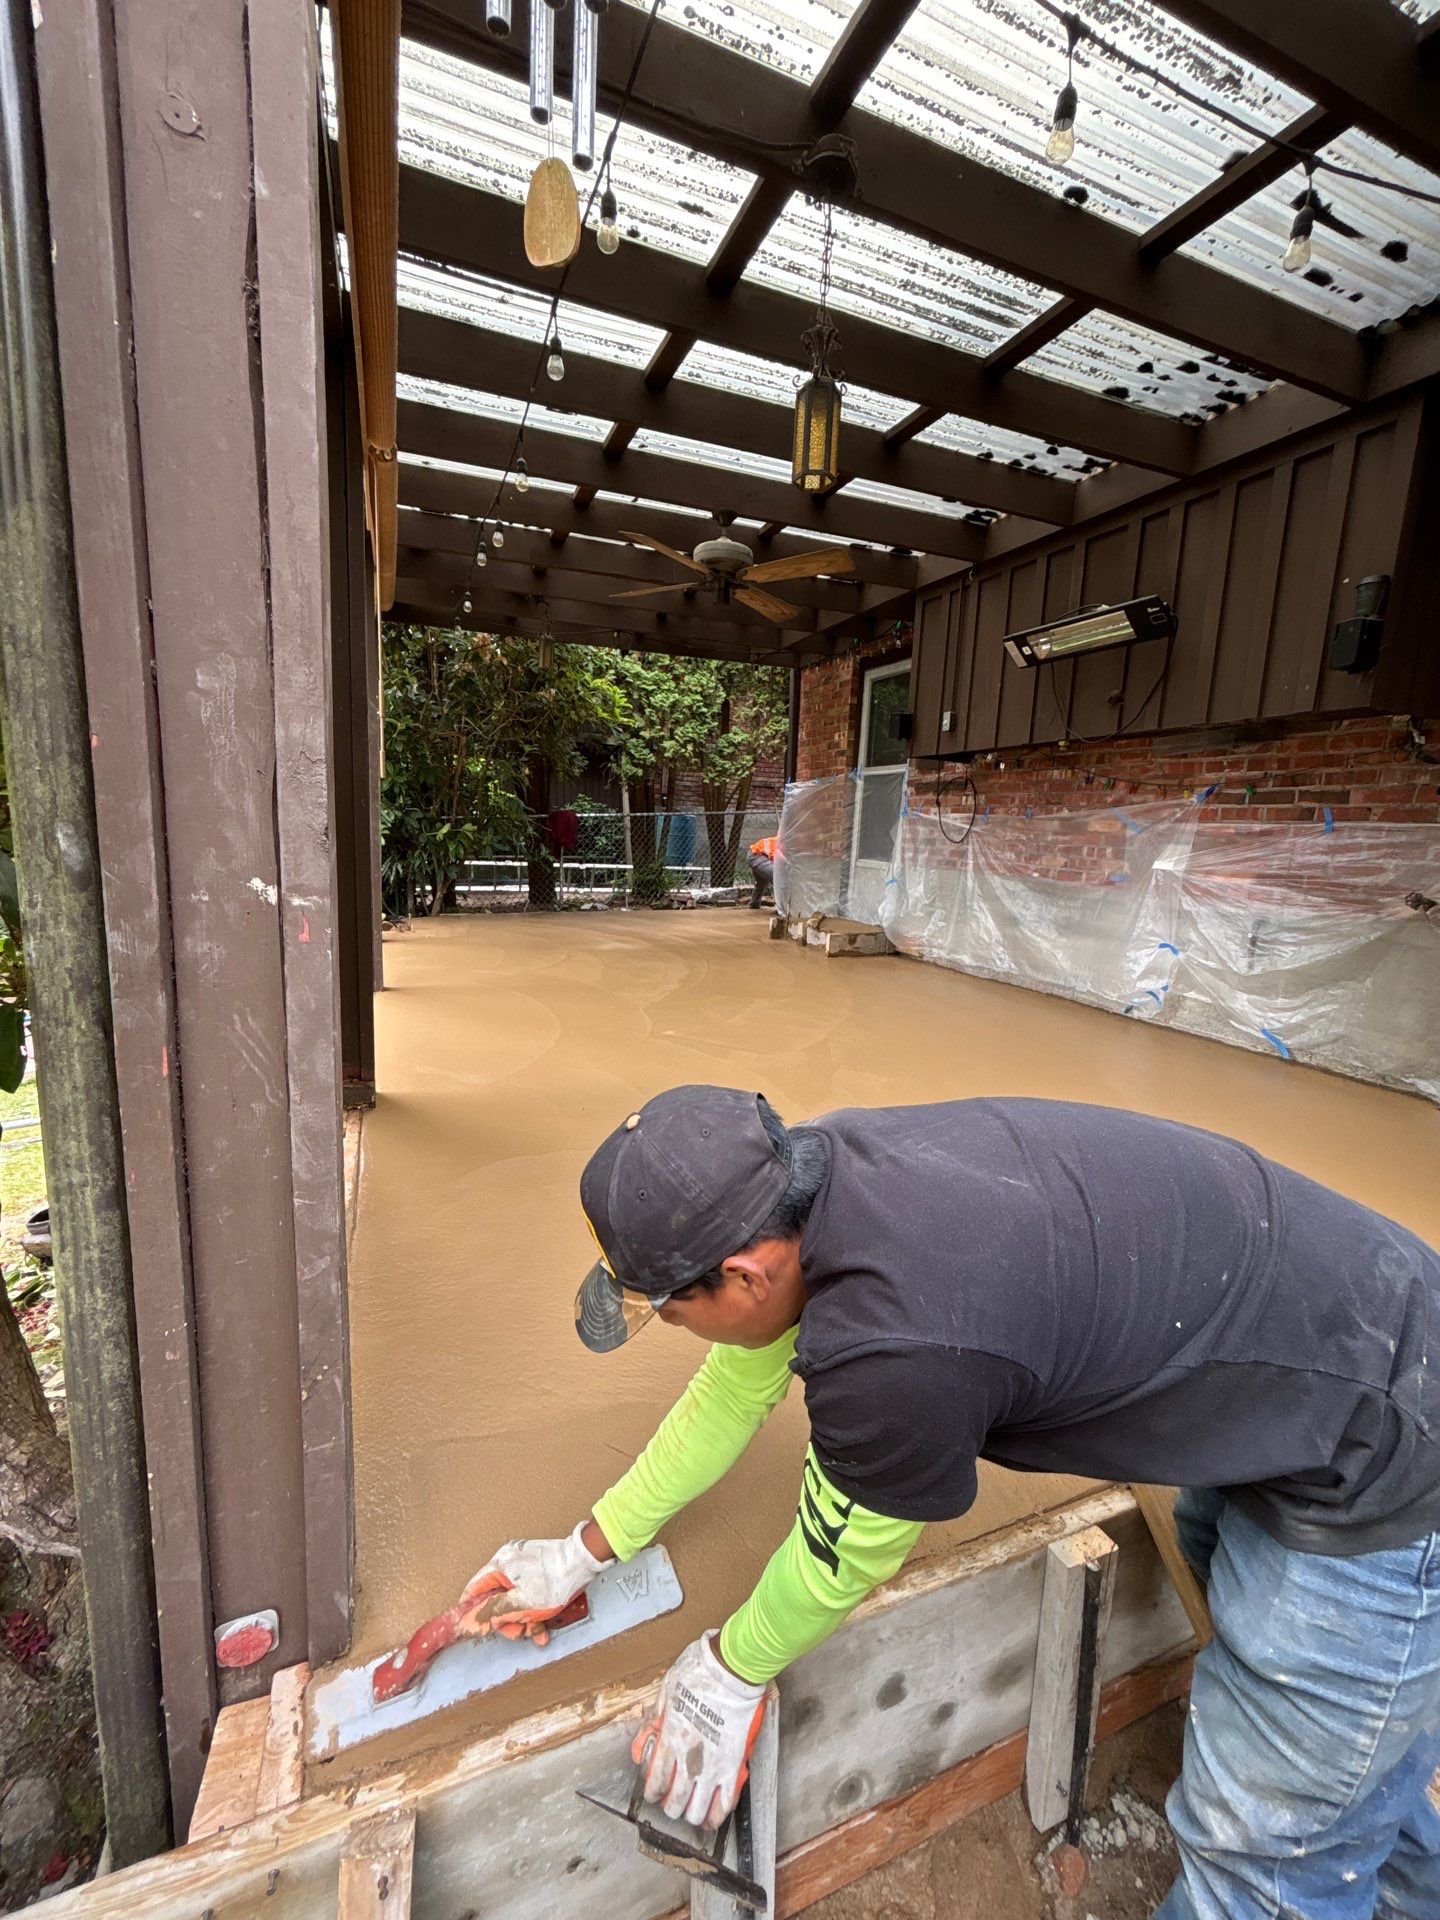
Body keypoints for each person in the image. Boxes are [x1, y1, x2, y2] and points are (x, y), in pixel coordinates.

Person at [462, 1086, 1440, 1920]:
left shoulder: (893, 1351)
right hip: (1317, 1338)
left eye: (666, 1306)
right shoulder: (816, 1174)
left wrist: (731, 1668)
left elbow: (845, 1552)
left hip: (1382, 1446)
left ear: (744, 1273)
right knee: (1347, 1764)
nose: (670, 1327)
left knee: (1259, 1850)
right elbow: (731, 1391)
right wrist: (585, 1550)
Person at [745, 834, 777, 909]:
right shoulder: (787, 844)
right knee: (777, 878)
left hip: (755, 854)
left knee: (762, 882)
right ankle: (781, 908)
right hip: (757, 855)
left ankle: (754, 904)